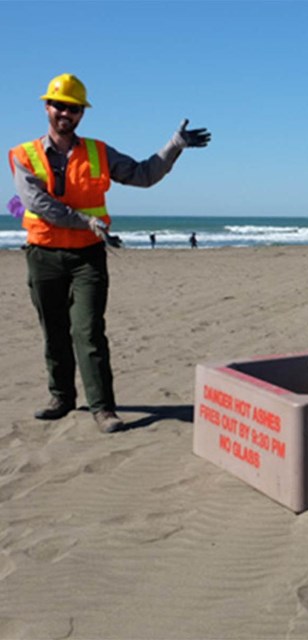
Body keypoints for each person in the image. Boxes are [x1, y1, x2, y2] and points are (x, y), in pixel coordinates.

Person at [8, 73, 211, 433]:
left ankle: (103, 408)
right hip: (43, 256)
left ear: (82, 114)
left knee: (88, 331)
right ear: (47, 107)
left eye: (73, 108)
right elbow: (39, 204)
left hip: (88, 257)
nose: (65, 113)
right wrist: (85, 220)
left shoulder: (99, 152)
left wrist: (174, 145)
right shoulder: (24, 155)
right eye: (59, 106)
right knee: (53, 330)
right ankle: (62, 397)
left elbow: (144, 174)